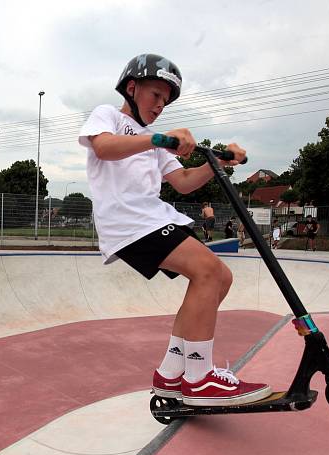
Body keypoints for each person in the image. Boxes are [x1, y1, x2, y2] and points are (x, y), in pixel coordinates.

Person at [78, 53, 270, 407]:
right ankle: (199, 378)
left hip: (154, 218)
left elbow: (182, 182)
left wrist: (219, 163)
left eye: (166, 102)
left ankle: (170, 373)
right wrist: (158, 140)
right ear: (132, 88)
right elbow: (103, 148)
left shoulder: (154, 138)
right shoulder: (109, 116)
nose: (160, 106)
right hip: (128, 222)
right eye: (155, 96)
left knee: (219, 278)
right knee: (208, 271)